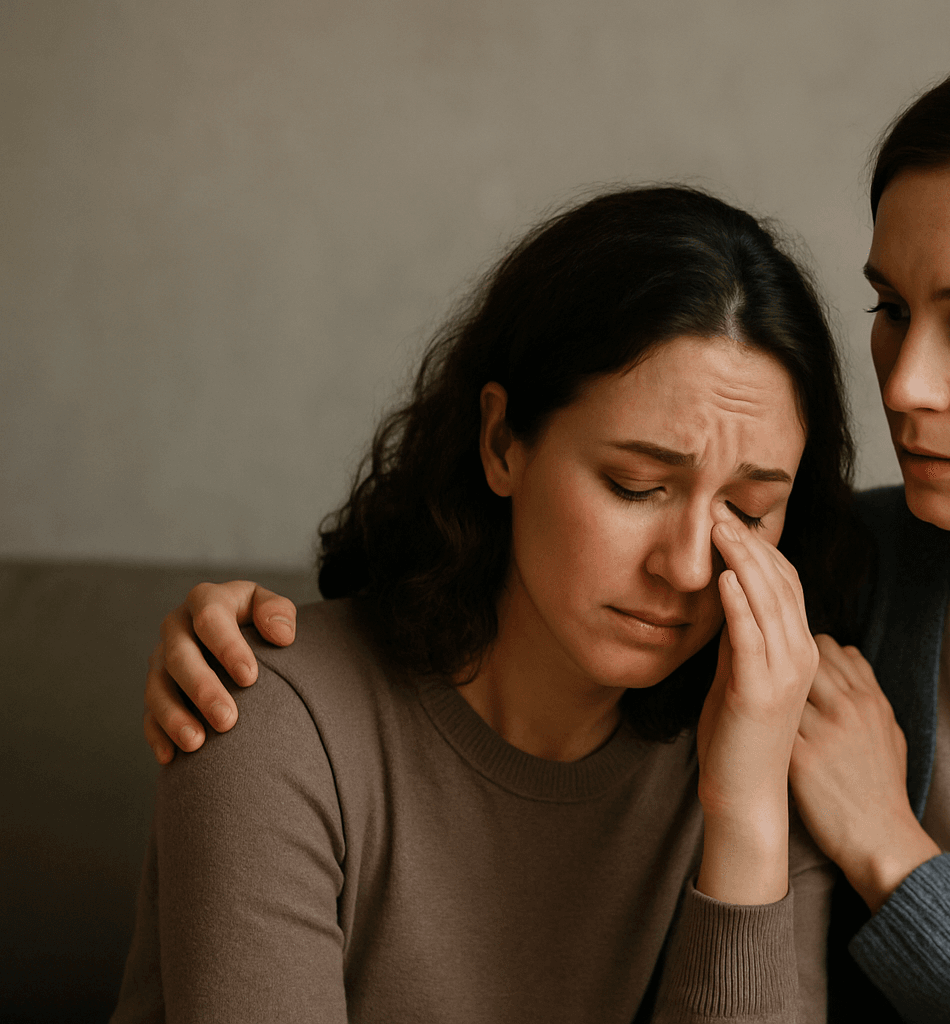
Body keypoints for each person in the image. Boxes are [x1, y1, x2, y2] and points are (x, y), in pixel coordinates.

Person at [139, 29, 950, 1022]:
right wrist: (252, 657)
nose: (906, 383)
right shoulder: (831, 580)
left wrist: (889, 848)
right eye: (892, 309)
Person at [113, 184, 866, 1023]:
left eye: (748, 511)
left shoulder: (763, 751)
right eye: (636, 486)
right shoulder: (278, 722)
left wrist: (748, 817)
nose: (690, 567)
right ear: (503, 442)